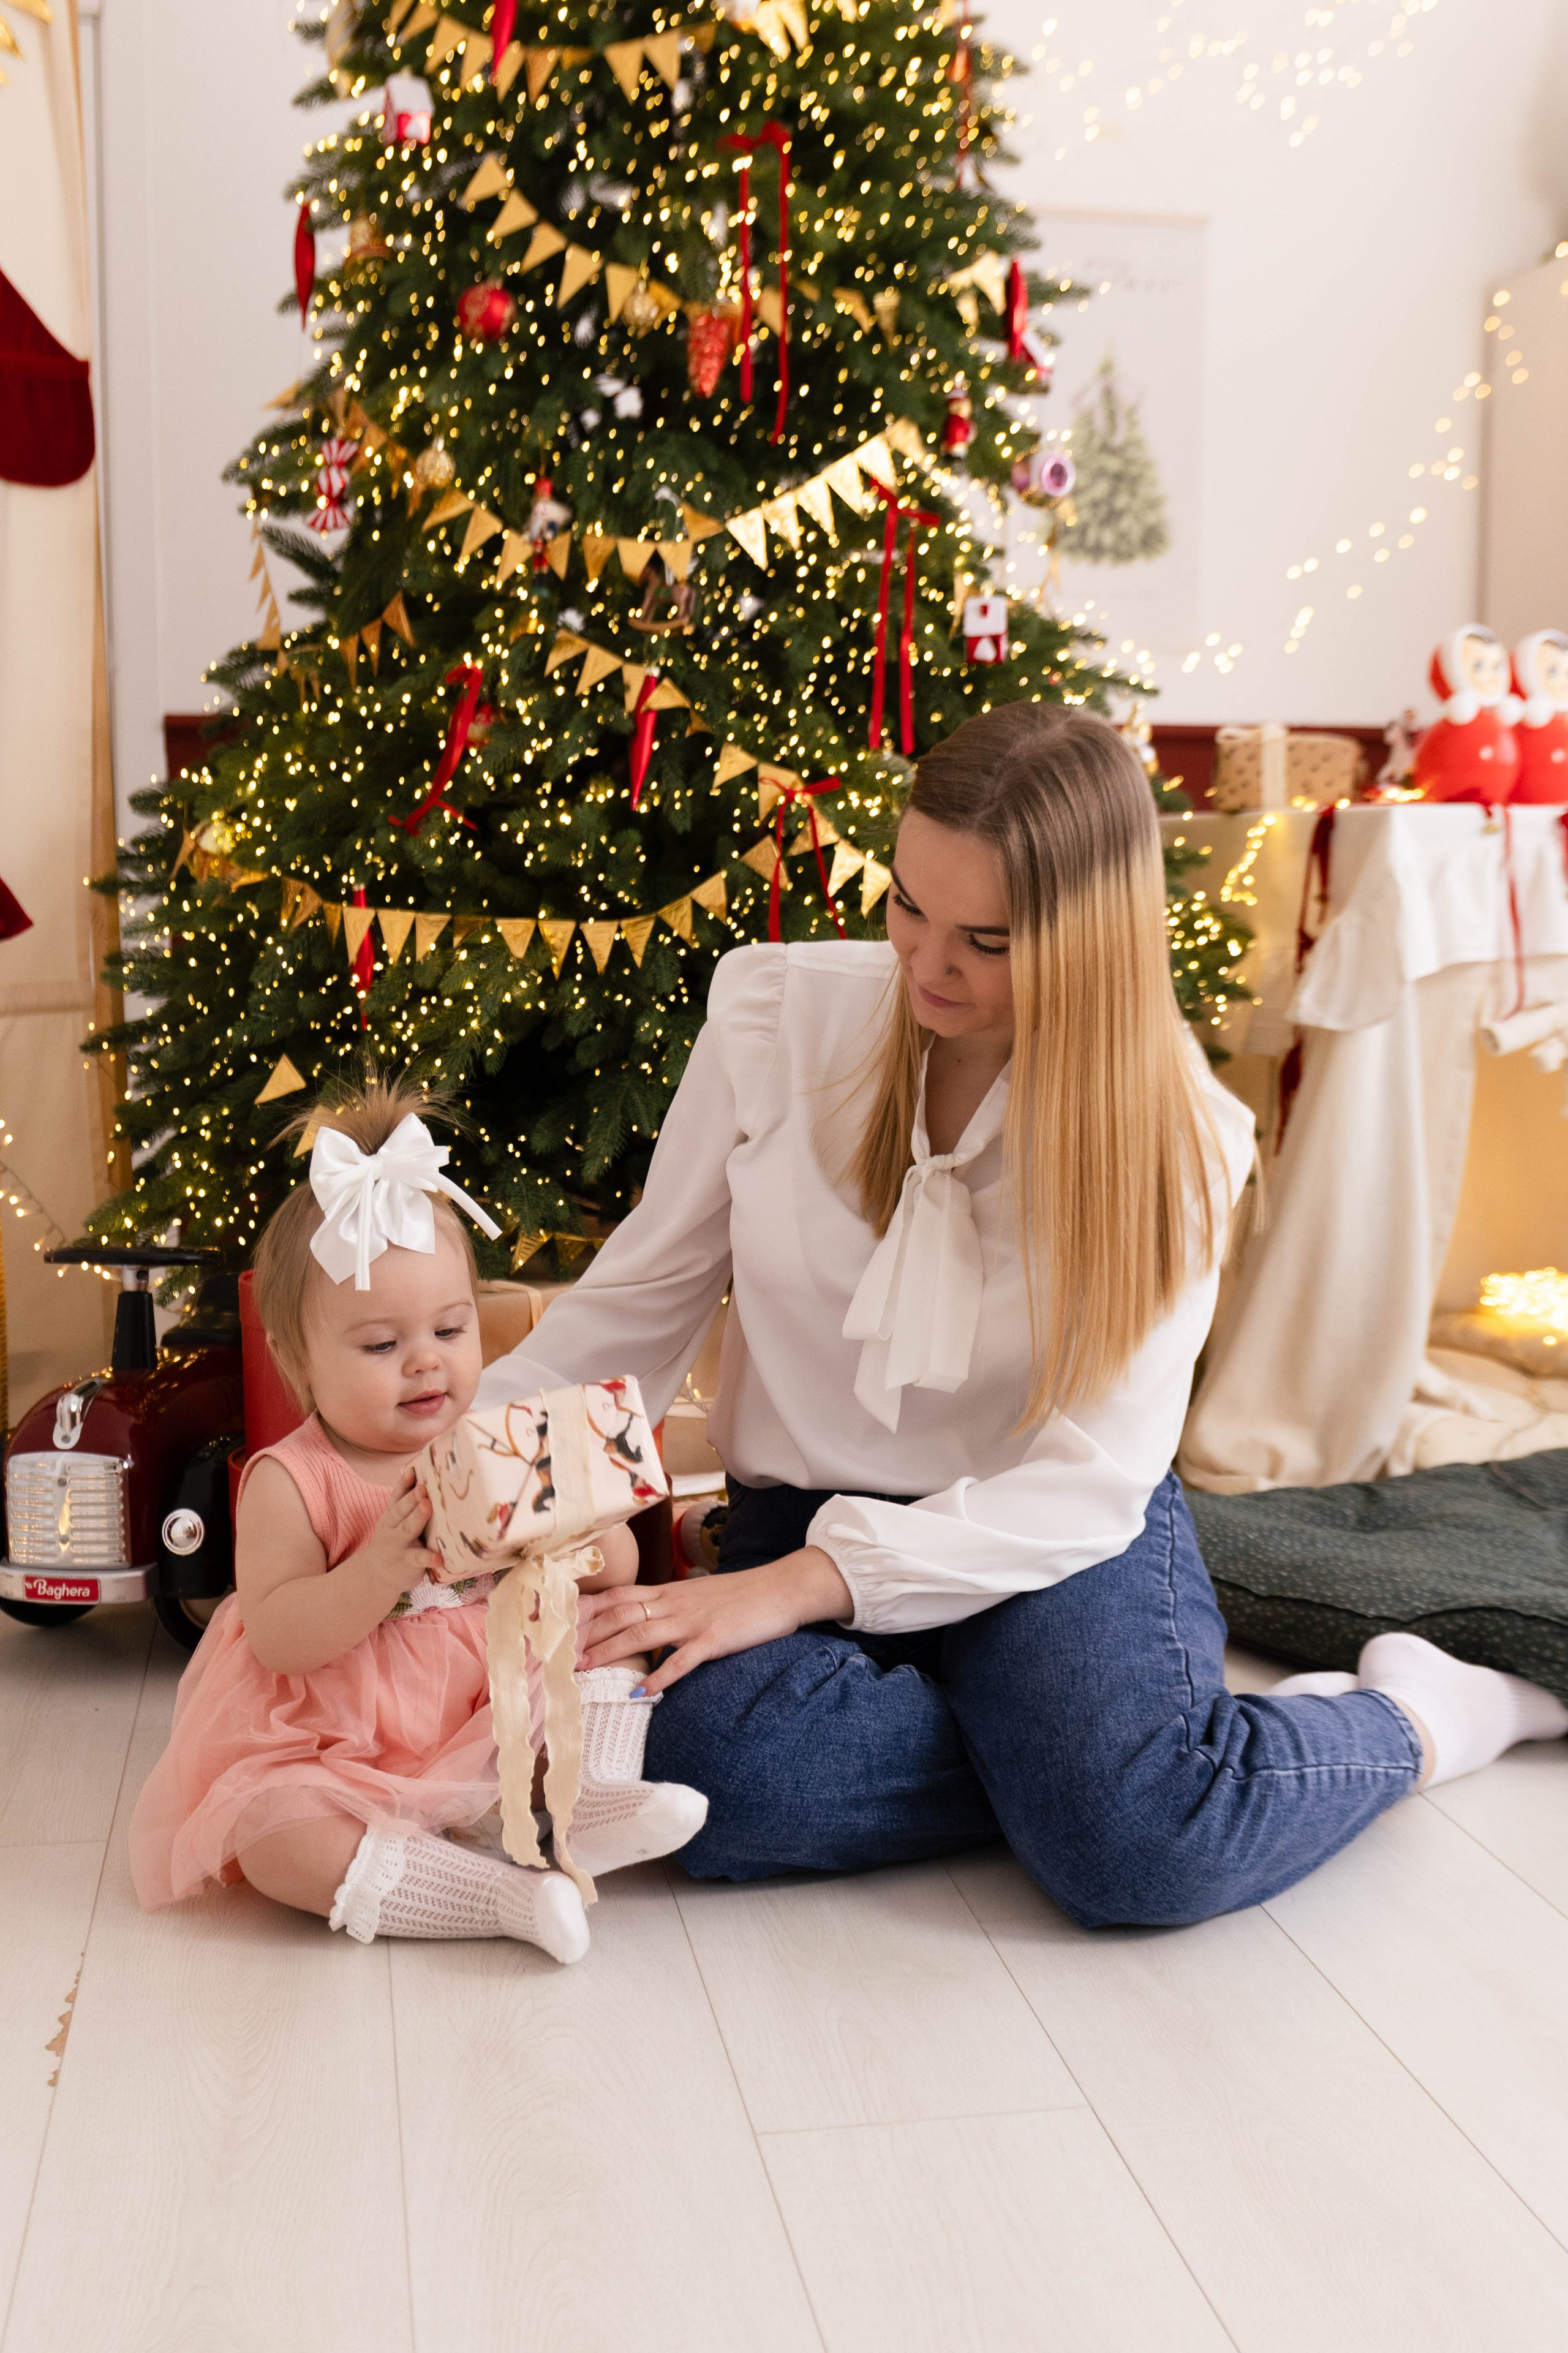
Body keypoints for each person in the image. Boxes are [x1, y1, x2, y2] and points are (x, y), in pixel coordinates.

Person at [477, 703, 1568, 1928]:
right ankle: (1113, 1764)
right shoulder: (773, 1018)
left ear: (1086, 940)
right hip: (800, 1514)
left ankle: (1415, 1716)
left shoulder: (1179, 1139)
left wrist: (799, 1590)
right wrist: (436, 1475)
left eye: (984, 940)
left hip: (1047, 1533)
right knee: (712, 1775)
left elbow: (1089, 1482)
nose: (923, 965)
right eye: (903, 904)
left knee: (1136, 1860)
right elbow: (635, 1306)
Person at [129, 1077, 706, 1962]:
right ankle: (499, 1897)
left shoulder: (493, 1439)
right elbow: (278, 1633)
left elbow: (622, 1564)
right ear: (295, 1357)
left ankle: (592, 1796)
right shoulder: (293, 1479)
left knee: (608, 1637)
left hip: (491, 1697)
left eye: (450, 1327)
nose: (426, 1364)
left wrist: (584, 1544)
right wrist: (375, 1573)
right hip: (346, 1732)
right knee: (272, 1833)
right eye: (381, 1345)